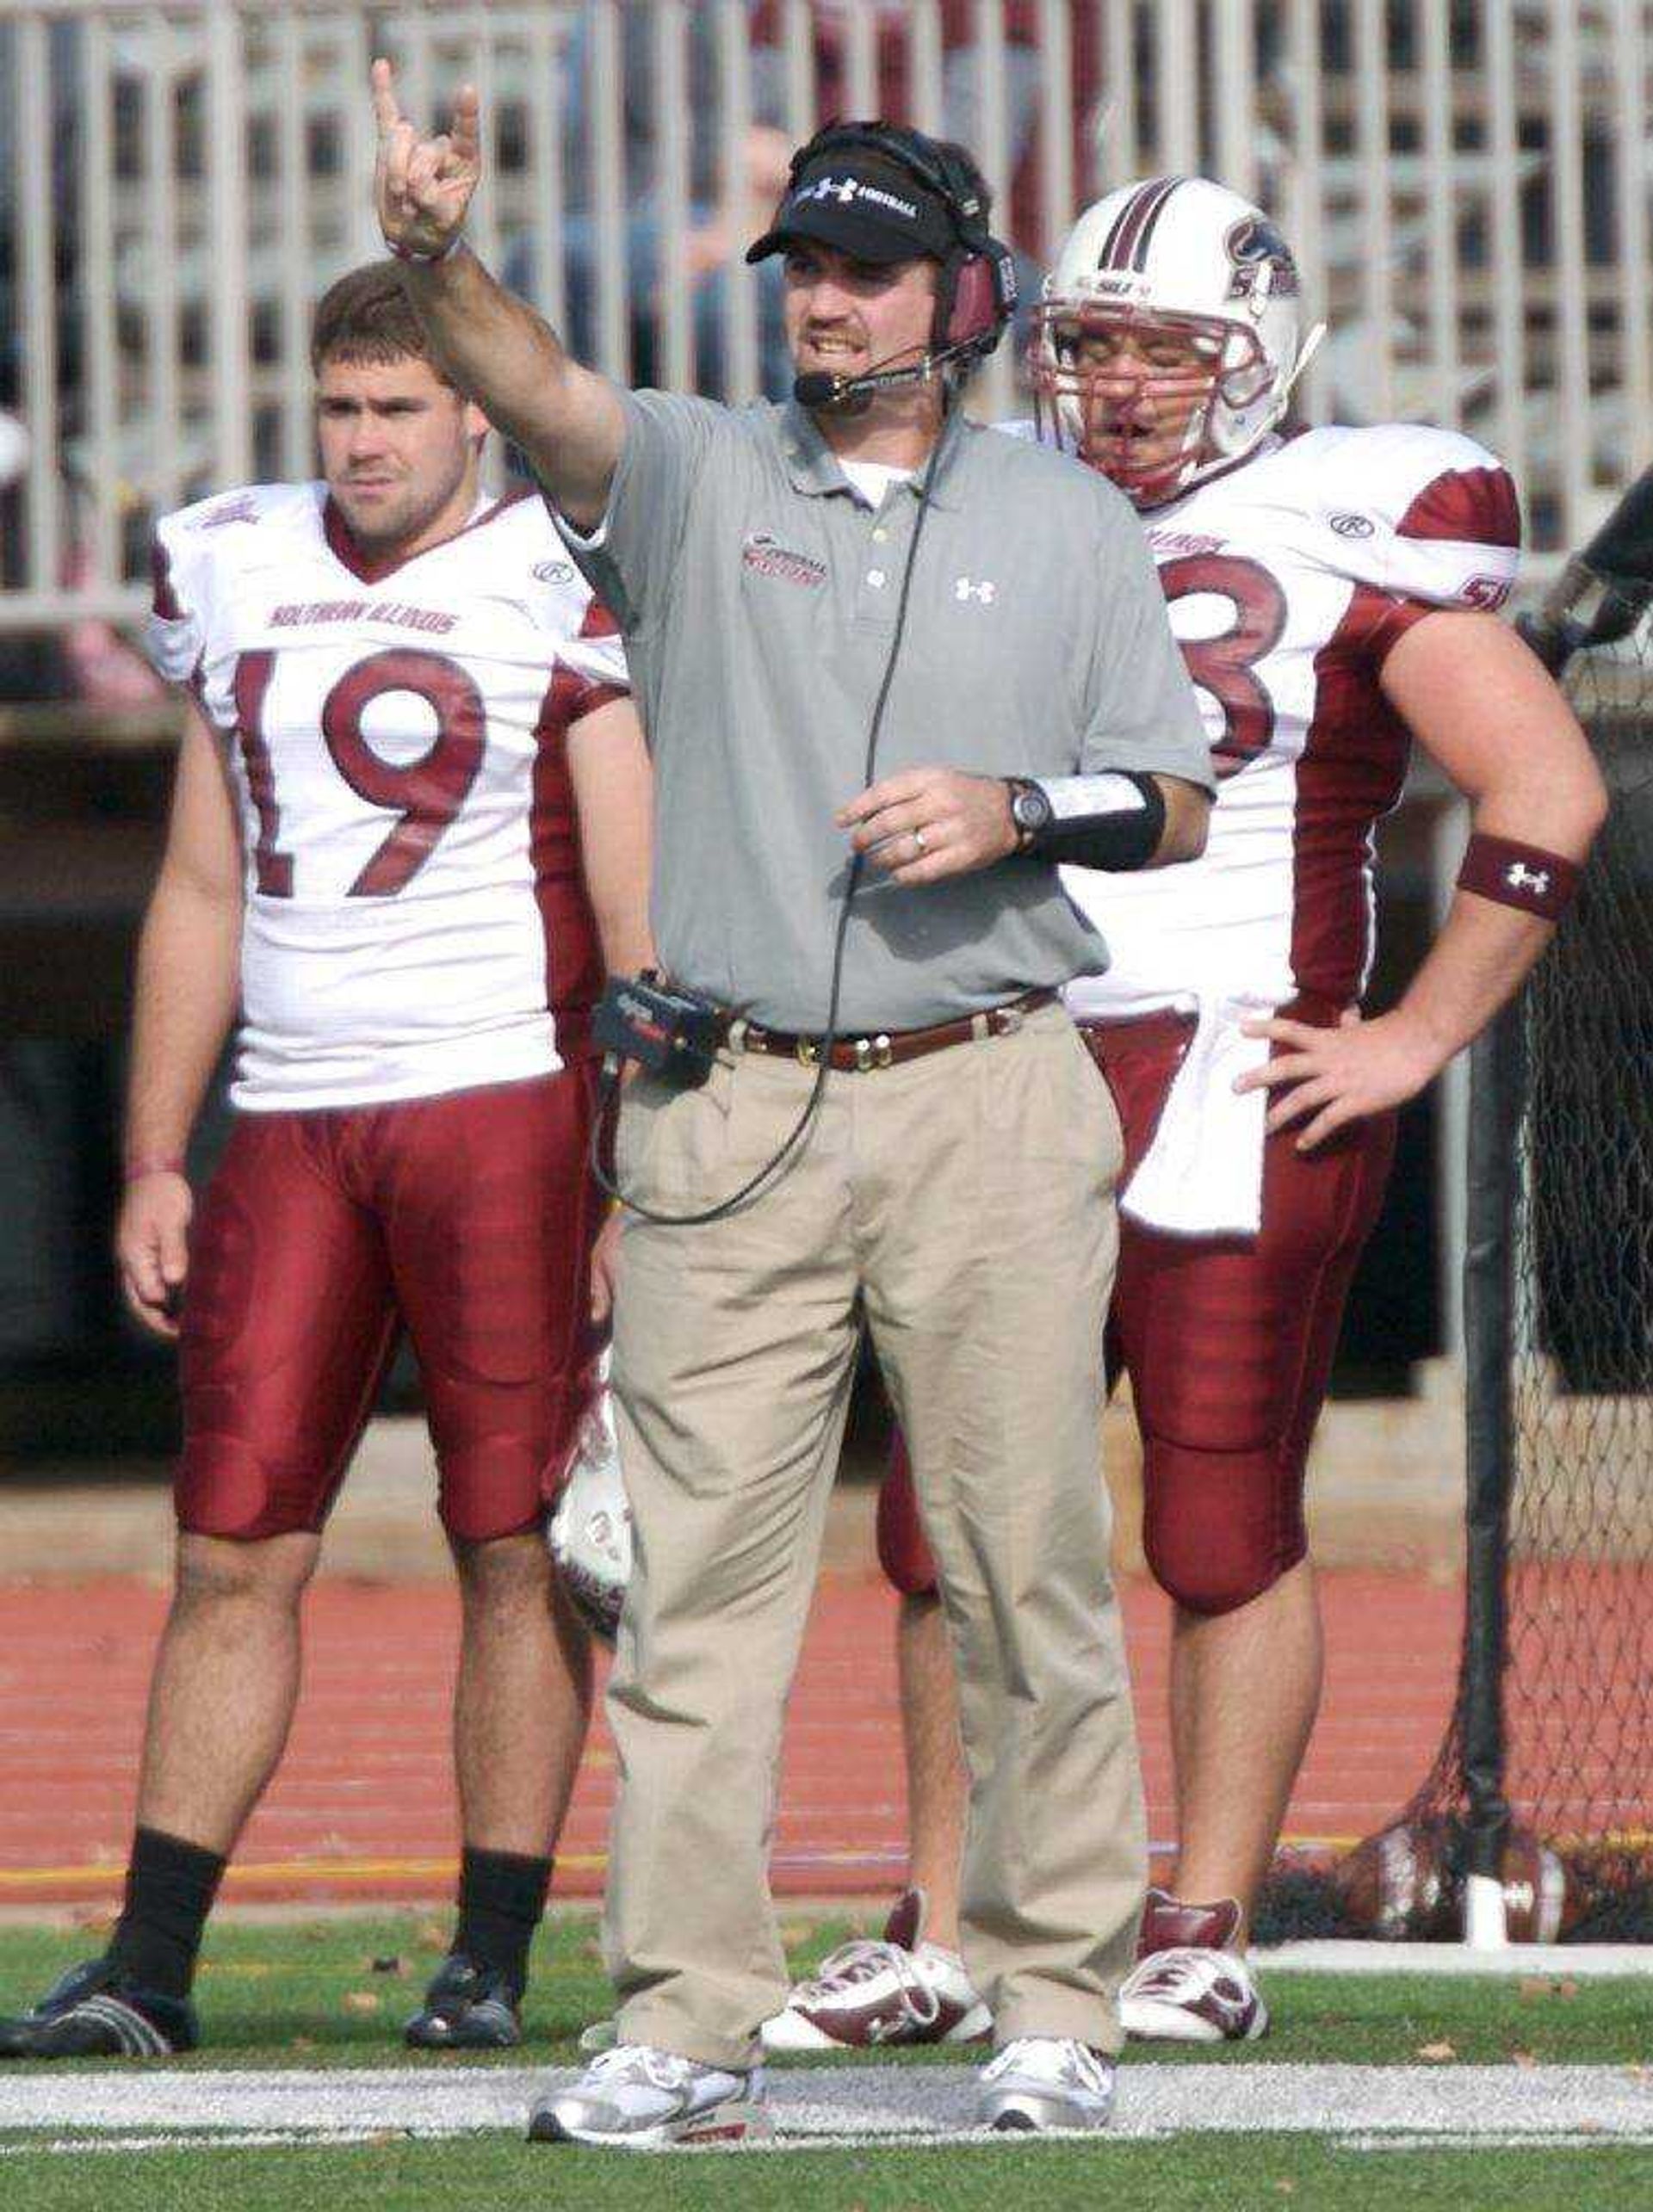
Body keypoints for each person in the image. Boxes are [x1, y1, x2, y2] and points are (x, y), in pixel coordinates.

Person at [371, 70, 1213, 2143]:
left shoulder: (1073, 518)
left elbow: (1174, 800)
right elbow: (550, 392)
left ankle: (1056, 2001)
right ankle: (685, 2013)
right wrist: (431, 264)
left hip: (992, 1093)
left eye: (862, 271)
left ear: (963, 293)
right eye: (803, 271)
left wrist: (1021, 810)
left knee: (1028, 1570)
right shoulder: (684, 470)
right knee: (690, 1593)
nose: (822, 306)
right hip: (732, 1104)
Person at [766, 174, 1609, 2055]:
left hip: (1239, 1049)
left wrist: (1412, 1037)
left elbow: (1543, 787)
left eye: (1171, 351)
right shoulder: (990, 510)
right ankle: (948, 1918)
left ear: (1262, 363)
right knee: (947, 1522)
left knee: (1220, 1519)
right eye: (1098, 345)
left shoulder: (1355, 515)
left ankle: (1201, 1918)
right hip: (1002, 1046)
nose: (1130, 385)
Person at [0, 263, 653, 2062]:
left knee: (514, 1542)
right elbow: (201, 883)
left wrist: (641, 1158)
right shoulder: (230, 559)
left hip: (502, 1100)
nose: (362, 443)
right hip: (290, 1112)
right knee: (229, 1544)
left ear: (473, 416)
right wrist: (153, 1153)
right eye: (340, 409)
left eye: (398, 410)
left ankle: (493, 1950)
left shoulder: (557, 570)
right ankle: (147, 1958)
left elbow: (633, 892)